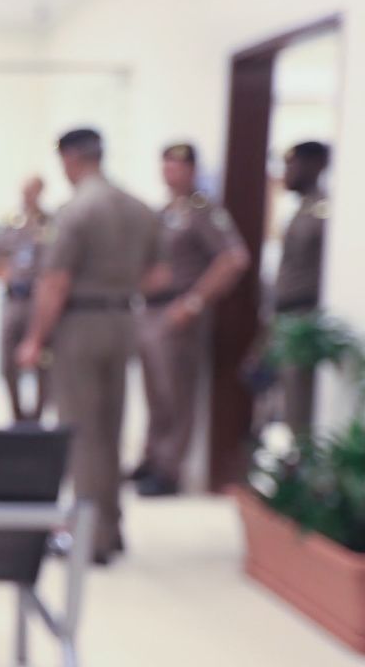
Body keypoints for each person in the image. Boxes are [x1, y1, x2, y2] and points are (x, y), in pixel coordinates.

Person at [16, 128, 165, 565]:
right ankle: (112, 526)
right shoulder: (139, 207)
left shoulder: (75, 211)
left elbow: (56, 282)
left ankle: (89, 538)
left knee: (81, 431)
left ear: (72, 157)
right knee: (111, 427)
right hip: (123, 319)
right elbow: (159, 276)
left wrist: (35, 339)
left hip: (80, 324)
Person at [133, 143, 250, 496]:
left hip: (178, 312)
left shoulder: (203, 210)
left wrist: (195, 301)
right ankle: (151, 458)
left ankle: (170, 469)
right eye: (166, 165)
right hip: (150, 310)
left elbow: (233, 258)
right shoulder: (164, 211)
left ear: (193, 170)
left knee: (176, 393)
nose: (171, 173)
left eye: (178, 167)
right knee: (154, 392)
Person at [272, 141, 331, 434]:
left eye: (292, 165)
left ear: (316, 165)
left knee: (300, 403)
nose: (286, 172)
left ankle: (302, 467)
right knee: (288, 403)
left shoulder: (323, 209)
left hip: (304, 314)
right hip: (286, 316)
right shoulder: (303, 208)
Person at [0, 175, 51, 422]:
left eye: (33, 190)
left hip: (39, 299)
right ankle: (17, 412)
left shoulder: (51, 223)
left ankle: (38, 414)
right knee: (7, 355)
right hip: (14, 298)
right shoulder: (11, 223)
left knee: (44, 359)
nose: (28, 195)